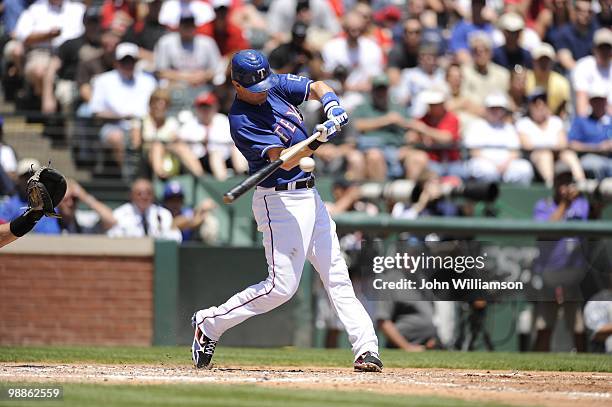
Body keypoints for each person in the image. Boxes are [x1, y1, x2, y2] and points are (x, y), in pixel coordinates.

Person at [191, 49, 382, 372]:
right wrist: (319, 139)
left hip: (310, 195)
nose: (263, 90)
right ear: (237, 85)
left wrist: (332, 104)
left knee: (336, 275)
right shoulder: (241, 119)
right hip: (277, 200)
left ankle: (366, 348)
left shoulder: (273, 84)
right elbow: (287, 158)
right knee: (281, 288)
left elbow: (317, 86)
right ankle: (209, 322)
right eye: (254, 87)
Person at [532, 168, 589, 352]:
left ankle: (584, 374)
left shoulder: (581, 204)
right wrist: (564, 204)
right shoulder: (543, 205)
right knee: (544, 327)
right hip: (550, 275)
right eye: (561, 182)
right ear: (554, 184)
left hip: (574, 275)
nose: (565, 187)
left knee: (578, 328)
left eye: (568, 181)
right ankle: (538, 371)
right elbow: (546, 231)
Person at [90, 42, 157, 169]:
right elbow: (96, 111)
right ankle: (129, 175)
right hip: (115, 125)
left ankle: (148, 174)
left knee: (156, 137)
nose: (128, 64)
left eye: (131, 61)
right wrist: (122, 117)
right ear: (116, 62)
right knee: (117, 137)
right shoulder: (103, 80)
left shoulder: (148, 81)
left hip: (146, 125)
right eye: (124, 61)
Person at [517, 89, 585, 187]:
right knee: (545, 155)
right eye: (536, 104)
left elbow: (563, 144)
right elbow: (527, 145)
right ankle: (550, 185)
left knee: (569, 154)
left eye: (543, 102)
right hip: (535, 157)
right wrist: (549, 148)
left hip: (558, 155)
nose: (540, 106)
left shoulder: (556, 121)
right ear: (530, 106)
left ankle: (581, 183)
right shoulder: (523, 123)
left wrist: (548, 147)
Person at [464, 93, 534, 185]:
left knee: (525, 168)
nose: (496, 112)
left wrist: (504, 165)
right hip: (484, 163)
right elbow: (474, 151)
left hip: (507, 165)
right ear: (486, 109)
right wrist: (494, 165)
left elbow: (515, 152)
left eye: (499, 109)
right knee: (486, 170)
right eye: (492, 108)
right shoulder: (477, 125)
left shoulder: (509, 128)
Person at [135, 88, 203, 179]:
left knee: (181, 147)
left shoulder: (171, 122)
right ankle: (160, 174)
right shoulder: (141, 121)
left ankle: (200, 175)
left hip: (170, 153)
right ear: (151, 105)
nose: (160, 109)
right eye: (156, 105)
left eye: (164, 106)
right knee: (157, 146)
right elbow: (137, 144)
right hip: (147, 155)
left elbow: (175, 139)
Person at [178, 91, 247, 180]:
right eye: (202, 107)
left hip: (226, 158)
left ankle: (243, 175)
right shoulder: (190, 124)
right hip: (200, 160)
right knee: (214, 154)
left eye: (208, 106)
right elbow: (178, 141)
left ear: (215, 107)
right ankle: (221, 183)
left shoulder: (223, 121)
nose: (205, 110)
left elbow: (235, 140)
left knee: (233, 148)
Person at [353, 74, 409, 181]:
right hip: (373, 147)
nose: (381, 93)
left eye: (383, 89)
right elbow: (357, 124)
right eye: (378, 89)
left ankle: (408, 194)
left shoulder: (397, 106)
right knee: (375, 156)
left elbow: (411, 127)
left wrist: (408, 143)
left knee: (418, 158)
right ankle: (381, 194)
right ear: (372, 90)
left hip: (396, 147)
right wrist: (385, 120)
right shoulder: (364, 106)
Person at [401, 89, 464, 181]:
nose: (433, 107)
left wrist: (424, 130)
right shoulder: (423, 119)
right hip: (429, 162)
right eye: (431, 105)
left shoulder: (451, 118)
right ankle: (412, 191)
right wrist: (412, 137)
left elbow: (447, 138)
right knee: (415, 159)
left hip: (450, 163)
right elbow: (411, 137)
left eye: (436, 104)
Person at [0, 164, 66, 248]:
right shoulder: (10, 204)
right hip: (25, 251)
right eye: (27, 177)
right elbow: (2, 235)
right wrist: (33, 215)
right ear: (18, 180)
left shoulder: (51, 202)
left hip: (55, 248)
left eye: (35, 177)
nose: (31, 181)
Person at [154, 13, 221, 89]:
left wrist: (203, 76)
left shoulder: (207, 43)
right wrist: (186, 77)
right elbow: (160, 72)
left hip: (202, 86)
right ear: (179, 26)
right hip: (175, 87)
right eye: (185, 26)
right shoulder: (166, 42)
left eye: (191, 26)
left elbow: (216, 69)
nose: (188, 29)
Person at [321, 11, 383, 92]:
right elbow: (326, 75)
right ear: (345, 28)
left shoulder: (372, 48)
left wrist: (352, 88)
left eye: (359, 30)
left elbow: (374, 78)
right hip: (335, 92)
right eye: (352, 30)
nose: (355, 34)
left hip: (363, 94)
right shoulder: (331, 47)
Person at [106, 178, 182, 241]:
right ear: (131, 195)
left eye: (148, 193)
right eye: (139, 193)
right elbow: (112, 237)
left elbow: (176, 238)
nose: (144, 197)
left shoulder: (163, 214)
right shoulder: (120, 214)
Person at [568, 89, 612, 179]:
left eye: (601, 100)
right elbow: (571, 144)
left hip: (609, 157)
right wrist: (597, 147)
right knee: (596, 165)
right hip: (589, 157)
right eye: (595, 101)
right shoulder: (581, 121)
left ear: (605, 102)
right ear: (590, 102)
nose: (598, 104)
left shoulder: (610, 121)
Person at [461, 33, 510, 111]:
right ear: (471, 53)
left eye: (485, 50)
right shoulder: (463, 73)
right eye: (476, 51)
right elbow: (463, 100)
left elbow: (507, 100)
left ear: (491, 52)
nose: (481, 54)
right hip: (472, 115)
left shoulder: (503, 74)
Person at [571, 28, 612, 117]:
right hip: (589, 121)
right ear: (594, 49)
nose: (605, 52)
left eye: (608, 48)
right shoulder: (583, 67)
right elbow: (581, 109)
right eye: (601, 48)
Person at [553, 0, 600, 72]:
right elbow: (566, 60)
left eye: (589, 11)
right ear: (574, 12)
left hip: (597, 73)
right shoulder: (564, 33)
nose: (586, 14)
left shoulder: (598, 31)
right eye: (581, 11)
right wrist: (583, 74)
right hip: (573, 74)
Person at [525, 42, 571, 117]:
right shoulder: (525, 79)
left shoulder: (562, 83)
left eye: (547, 60)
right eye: (540, 60)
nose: (544, 64)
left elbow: (565, 109)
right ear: (533, 61)